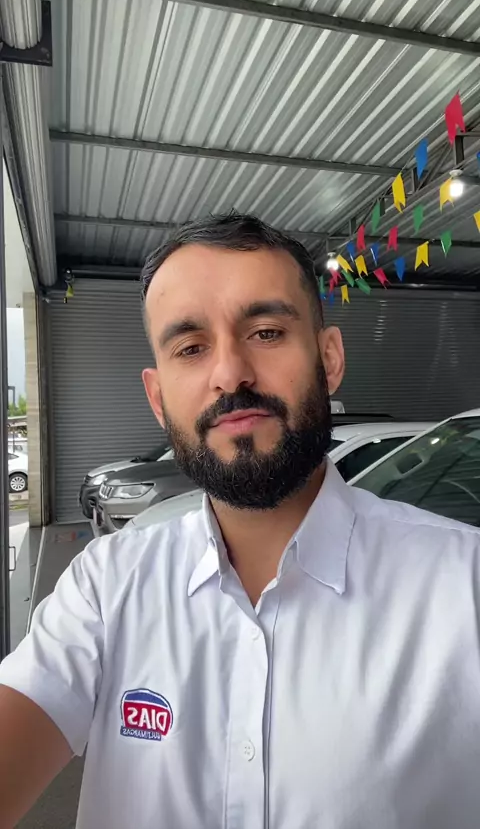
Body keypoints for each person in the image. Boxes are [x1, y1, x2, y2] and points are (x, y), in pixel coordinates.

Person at [1, 212, 480, 829]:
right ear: (158, 397)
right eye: (191, 347)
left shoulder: (463, 584)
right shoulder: (104, 588)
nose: (230, 373)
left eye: (267, 332)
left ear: (329, 358)